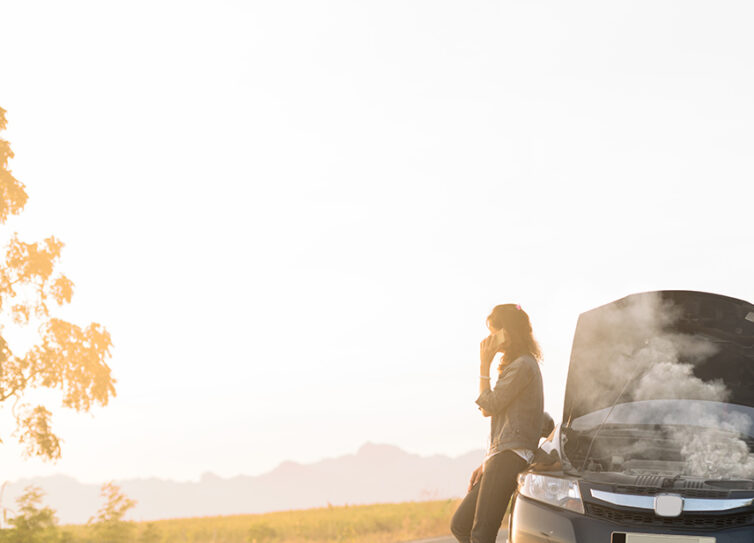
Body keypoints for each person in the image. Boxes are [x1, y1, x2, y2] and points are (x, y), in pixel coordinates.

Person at [450, 303, 544, 543]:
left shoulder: (523, 365)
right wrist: (487, 461)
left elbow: (489, 406)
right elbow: (501, 416)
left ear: (508, 332)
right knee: (460, 524)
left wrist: (484, 364)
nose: (491, 338)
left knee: (482, 534)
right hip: (501, 456)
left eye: (494, 332)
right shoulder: (517, 365)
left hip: (509, 457)